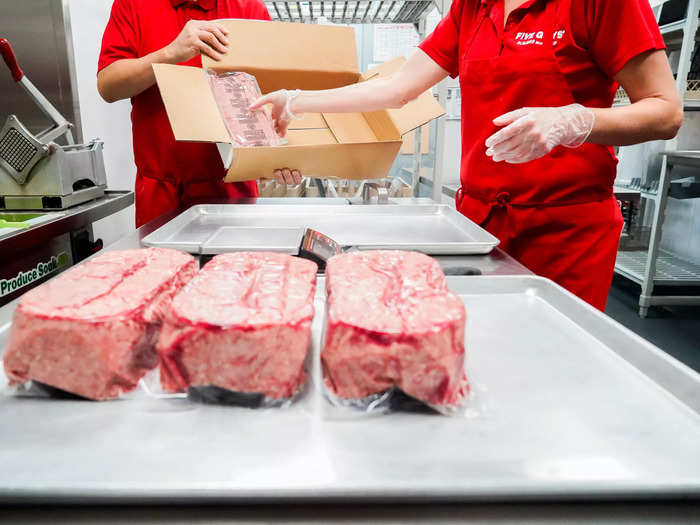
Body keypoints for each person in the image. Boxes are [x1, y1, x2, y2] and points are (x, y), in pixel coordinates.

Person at [252, 0, 682, 311]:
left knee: (551, 372)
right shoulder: (472, 8)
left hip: (565, 231)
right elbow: (397, 88)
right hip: (481, 224)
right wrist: (297, 101)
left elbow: (665, 111)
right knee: (481, 350)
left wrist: (572, 122)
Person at [97, 0, 300, 228]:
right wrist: (169, 54)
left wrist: (282, 158)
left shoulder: (249, 9)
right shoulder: (133, 5)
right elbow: (108, 87)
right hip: (160, 192)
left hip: (233, 189)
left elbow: (274, 100)